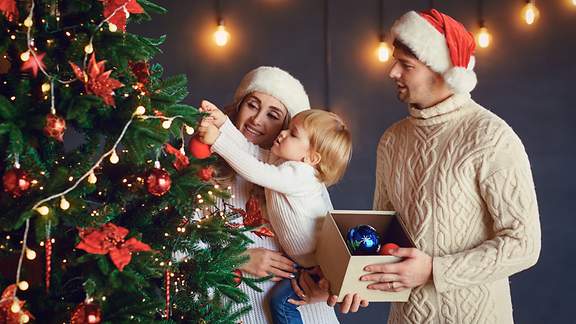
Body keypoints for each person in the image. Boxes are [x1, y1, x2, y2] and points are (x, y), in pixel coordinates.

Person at [361, 9, 541, 323]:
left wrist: (434, 270)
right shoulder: (392, 140)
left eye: (406, 65)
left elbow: (523, 244)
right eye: (395, 61)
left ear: (442, 71)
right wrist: (348, 281)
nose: (392, 72)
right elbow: (383, 236)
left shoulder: (491, 137)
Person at [198, 100, 352, 324]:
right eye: (251, 105)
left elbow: (255, 170)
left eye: (293, 133)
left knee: (281, 303)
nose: (283, 133)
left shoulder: (301, 175)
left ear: (311, 158)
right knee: (280, 300)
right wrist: (223, 124)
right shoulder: (283, 161)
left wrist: (218, 141)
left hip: (321, 266)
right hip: (304, 262)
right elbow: (249, 150)